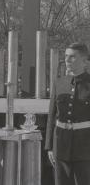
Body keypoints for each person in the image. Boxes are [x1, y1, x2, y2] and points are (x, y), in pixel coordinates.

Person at [45, 43, 90, 185]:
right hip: (60, 146)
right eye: (66, 56)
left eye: (72, 57)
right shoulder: (59, 83)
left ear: (84, 61)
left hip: (84, 148)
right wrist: (50, 147)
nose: (67, 60)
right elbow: (52, 117)